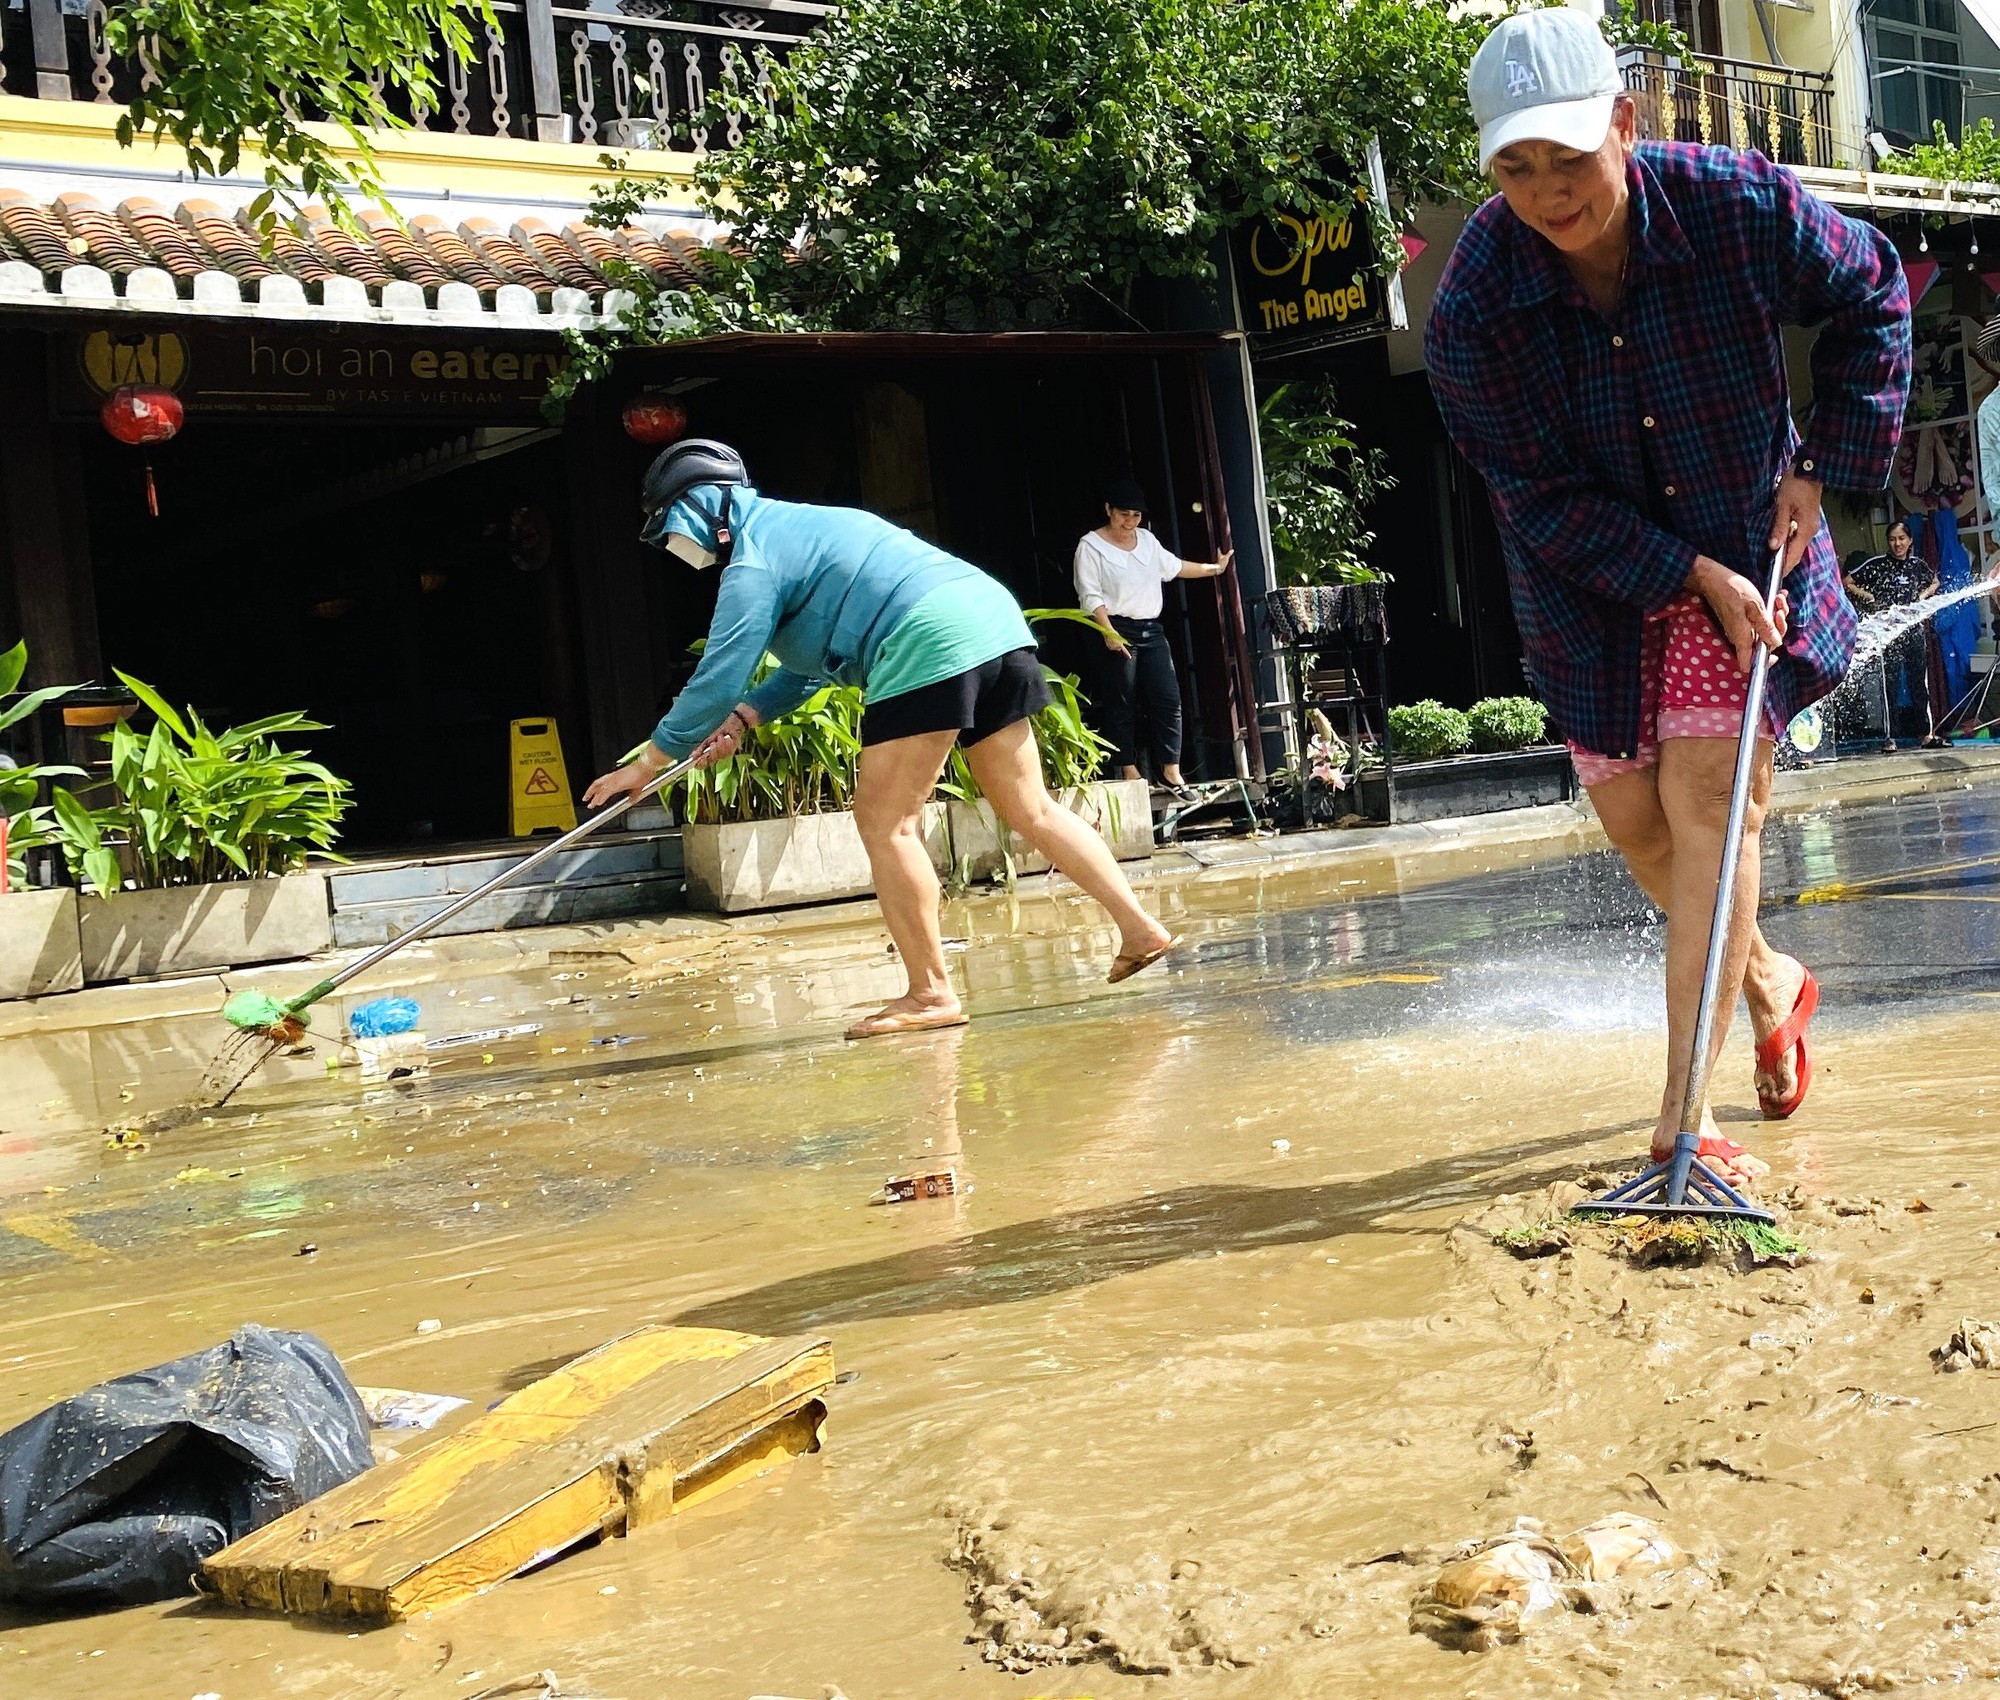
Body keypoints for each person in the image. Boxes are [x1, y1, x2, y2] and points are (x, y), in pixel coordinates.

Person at [1425, 8, 1910, 1183]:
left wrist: (1821, 469)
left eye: (1569, 156)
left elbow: (1875, 294)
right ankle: (1768, 980)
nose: (1546, 191)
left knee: (1708, 812)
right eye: (1514, 165)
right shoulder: (1471, 314)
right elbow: (1533, 500)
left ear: (1622, 124)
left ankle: (1679, 1121)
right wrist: (1679, 568)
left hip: (1742, 551)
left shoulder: (1734, 205)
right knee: (1647, 834)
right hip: (1587, 585)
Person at [582, 440, 1178, 1039]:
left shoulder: (755, 562)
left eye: (671, 528)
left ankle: (930, 993)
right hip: (991, 624)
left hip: (925, 640)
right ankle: (1138, 927)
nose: (675, 548)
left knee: (885, 822)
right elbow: (805, 667)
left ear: (700, 506)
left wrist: (651, 760)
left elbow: (720, 670)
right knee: (1031, 808)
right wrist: (742, 720)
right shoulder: (803, 527)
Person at [1072, 477, 1232, 797]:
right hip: (1115, 626)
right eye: (1123, 514)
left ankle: (1171, 772)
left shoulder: (1146, 540)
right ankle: (1130, 771)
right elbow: (1089, 595)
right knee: (1122, 702)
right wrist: (1108, 631)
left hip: (1151, 629)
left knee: (1168, 697)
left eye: (1136, 515)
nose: (1130, 522)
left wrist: (1215, 568)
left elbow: (1173, 567)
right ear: (1108, 510)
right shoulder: (1090, 546)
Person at [1844, 518, 1938, 750]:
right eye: (1893, 539)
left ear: (1910, 540)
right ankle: (1890, 737)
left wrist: (1921, 598)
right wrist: (1870, 598)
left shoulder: (1917, 565)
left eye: (1902, 539)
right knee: (1891, 684)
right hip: (1888, 632)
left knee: (1919, 683)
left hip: (1913, 631)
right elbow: (1847, 581)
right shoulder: (1877, 564)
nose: (1897, 544)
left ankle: (1925, 734)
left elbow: (1935, 582)